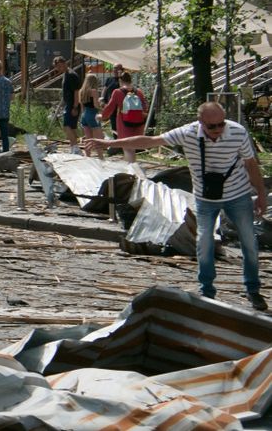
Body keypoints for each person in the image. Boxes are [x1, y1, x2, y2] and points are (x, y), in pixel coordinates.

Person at [84, 103, 267, 310]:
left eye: (221, 124)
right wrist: (109, 144)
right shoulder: (188, 133)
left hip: (238, 194)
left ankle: (253, 290)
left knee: (249, 242)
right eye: (212, 126)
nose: (218, 130)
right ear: (201, 123)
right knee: (204, 241)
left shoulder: (237, 132)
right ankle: (207, 291)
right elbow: (151, 141)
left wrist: (260, 194)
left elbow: (251, 164)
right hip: (206, 198)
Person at [100, 72, 147, 162]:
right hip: (138, 123)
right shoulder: (139, 92)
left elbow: (110, 107)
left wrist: (102, 116)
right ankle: (131, 168)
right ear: (130, 80)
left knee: (127, 148)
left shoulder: (117, 92)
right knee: (132, 148)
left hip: (124, 123)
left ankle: (131, 170)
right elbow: (145, 108)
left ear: (120, 81)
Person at [55, 56, 82, 153]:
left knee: (66, 126)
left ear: (65, 64)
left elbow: (76, 91)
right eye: (58, 67)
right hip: (69, 103)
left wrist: (75, 106)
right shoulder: (66, 74)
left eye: (60, 66)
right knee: (72, 128)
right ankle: (75, 147)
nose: (59, 68)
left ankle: (75, 147)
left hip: (72, 104)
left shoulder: (71, 75)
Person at [78, 73, 103, 154]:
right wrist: (102, 107)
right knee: (98, 139)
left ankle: (88, 156)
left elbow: (82, 106)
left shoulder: (81, 91)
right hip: (93, 114)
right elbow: (96, 105)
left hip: (84, 115)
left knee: (88, 139)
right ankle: (101, 157)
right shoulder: (93, 91)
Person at [103, 64, 126, 133]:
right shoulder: (109, 79)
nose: (114, 70)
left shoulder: (123, 80)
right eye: (114, 68)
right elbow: (105, 90)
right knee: (114, 125)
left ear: (121, 70)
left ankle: (121, 140)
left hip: (121, 107)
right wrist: (103, 101)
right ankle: (115, 141)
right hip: (111, 106)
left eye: (116, 68)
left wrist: (120, 77)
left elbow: (124, 88)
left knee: (121, 125)